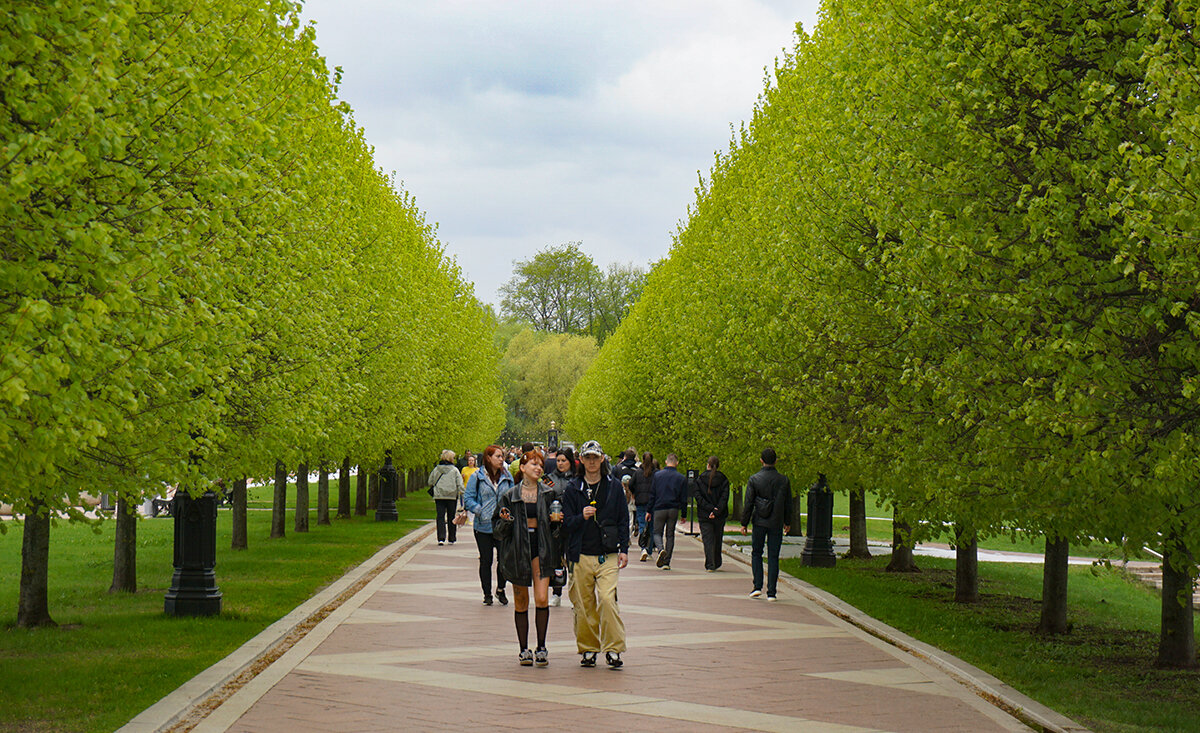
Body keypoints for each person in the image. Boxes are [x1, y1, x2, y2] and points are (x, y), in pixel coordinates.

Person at [494, 449, 565, 667]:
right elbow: (497, 531)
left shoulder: (549, 493)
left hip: (542, 549)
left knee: (542, 598)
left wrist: (557, 523)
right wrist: (506, 521)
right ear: (522, 468)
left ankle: (541, 647)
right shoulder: (510, 495)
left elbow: (557, 530)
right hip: (518, 550)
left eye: (540, 464)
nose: (538, 468)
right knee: (521, 601)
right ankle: (523, 649)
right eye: (533, 464)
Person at [562, 440, 629, 669]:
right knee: (584, 604)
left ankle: (613, 648)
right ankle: (589, 648)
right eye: (587, 458)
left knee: (608, 600)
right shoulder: (573, 488)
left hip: (607, 553)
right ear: (582, 460)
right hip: (581, 554)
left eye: (595, 457)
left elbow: (623, 519)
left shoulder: (614, 486)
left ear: (602, 459)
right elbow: (566, 523)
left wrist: (624, 549)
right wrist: (582, 516)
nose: (592, 462)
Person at [740, 447, 792, 601]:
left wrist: (744, 523)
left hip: (760, 521)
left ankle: (757, 586)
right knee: (773, 556)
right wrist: (787, 522)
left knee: (757, 552)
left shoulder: (754, 479)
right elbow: (788, 503)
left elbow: (748, 502)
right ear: (775, 461)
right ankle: (772, 592)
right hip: (776, 521)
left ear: (761, 460)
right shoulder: (783, 480)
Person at [462, 445, 512, 606]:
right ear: (488, 458)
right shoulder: (478, 477)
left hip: (502, 525)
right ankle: (487, 593)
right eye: (498, 456)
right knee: (486, 560)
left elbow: (512, 497)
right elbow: (468, 498)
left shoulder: (507, 476)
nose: (501, 459)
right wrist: (480, 510)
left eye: (502, 456)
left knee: (503, 559)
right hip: (483, 526)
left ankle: (501, 589)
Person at [545, 447, 577, 607]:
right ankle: (556, 592)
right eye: (558, 460)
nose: (560, 463)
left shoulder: (578, 479)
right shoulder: (549, 479)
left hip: (573, 525)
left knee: (573, 560)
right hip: (555, 525)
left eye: (564, 460)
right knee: (556, 559)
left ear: (570, 462)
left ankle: (575, 594)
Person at [648, 453, 687, 570]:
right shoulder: (681, 478)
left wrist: (649, 510)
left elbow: (652, 494)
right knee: (670, 535)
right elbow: (684, 498)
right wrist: (683, 514)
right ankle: (667, 561)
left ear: (666, 462)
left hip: (659, 507)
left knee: (656, 532)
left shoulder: (657, 476)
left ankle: (660, 549)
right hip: (673, 509)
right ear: (677, 463)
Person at [695, 456, 730, 571]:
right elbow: (724, 498)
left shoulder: (700, 479)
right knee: (717, 537)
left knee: (708, 539)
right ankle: (717, 560)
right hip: (719, 514)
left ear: (708, 465)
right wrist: (716, 510)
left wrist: (709, 509)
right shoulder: (724, 479)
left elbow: (698, 497)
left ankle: (710, 563)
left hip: (704, 514)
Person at [428, 450, 464, 545]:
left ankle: (441, 538)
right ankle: (451, 538)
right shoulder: (455, 470)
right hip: (452, 496)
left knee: (440, 516)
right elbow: (459, 484)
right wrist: (464, 493)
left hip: (439, 496)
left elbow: (430, 481)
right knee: (451, 516)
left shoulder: (436, 469)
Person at [629, 452, 656, 561]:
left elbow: (631, 484)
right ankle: (649, 550)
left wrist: (635, 492)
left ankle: (643, 547)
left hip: (640, 501)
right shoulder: (656, 473)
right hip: (653, 502)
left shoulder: (638, 472)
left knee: (641, 524)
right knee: (651, 527)